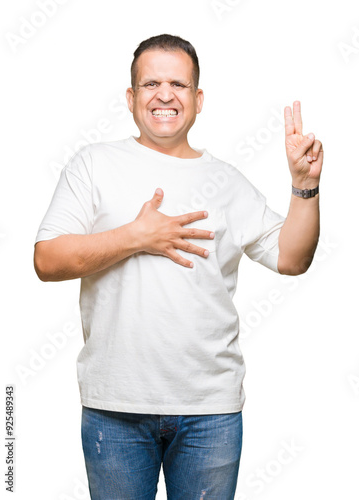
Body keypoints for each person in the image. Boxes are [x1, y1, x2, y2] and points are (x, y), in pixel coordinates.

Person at [33, 34, 323, 500]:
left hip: (210, 413)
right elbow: (47, 260)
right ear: (130, 98)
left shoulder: (226, 180)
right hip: (115, 408)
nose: (164, 95)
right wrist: (136, 237)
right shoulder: (94, 164)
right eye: (150, 83)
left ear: (198, 98)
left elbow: (292, 258)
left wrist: (304, 187)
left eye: (178, 84)